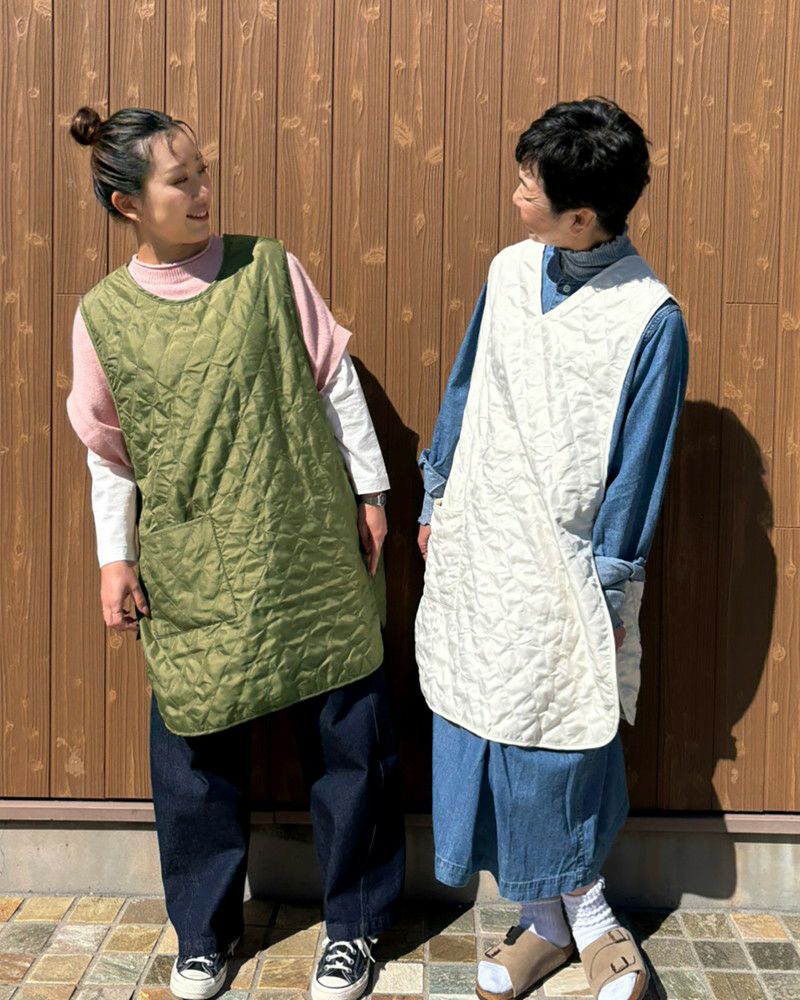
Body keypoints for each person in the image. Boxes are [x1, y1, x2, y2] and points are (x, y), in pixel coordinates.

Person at [66, 106, 405, 1000]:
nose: (202, 192)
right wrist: (114, 558)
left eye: (203, 172)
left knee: (347, 735)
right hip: (192, 563)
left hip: (306, 540)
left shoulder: (269, 266)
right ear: (127, 204)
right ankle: (203, 935)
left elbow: (333, 382)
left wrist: (371, 493)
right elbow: (110, 454)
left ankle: (355, 926)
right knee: (195, 751)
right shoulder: (102, 317)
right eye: (181, 180)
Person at [415, 98, 689, 1000]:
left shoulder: (649, 317)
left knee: (557, 738)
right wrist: (436, 494)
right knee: (482, 721)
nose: (515, 196)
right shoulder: (508, 269)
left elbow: (639, 468)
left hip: (566, 564)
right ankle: (546, 921)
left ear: (582, 217)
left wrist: (609, 587)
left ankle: (589, 915)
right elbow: (468, 384)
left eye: (530, 187)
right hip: (480, 539)